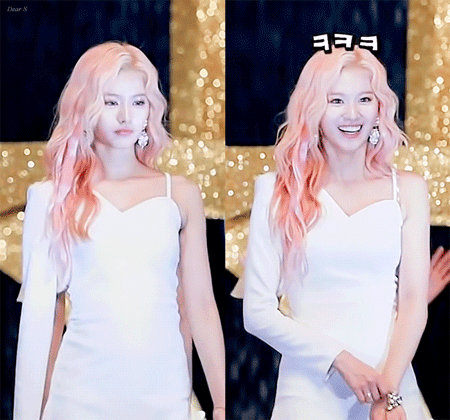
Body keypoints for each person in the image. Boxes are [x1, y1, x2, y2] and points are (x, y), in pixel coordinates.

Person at [14, 41, 225, 420]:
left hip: (164, 393)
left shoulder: (179, 194)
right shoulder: (52, 197)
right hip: (78, 395)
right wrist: (36, 411)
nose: (126, 116)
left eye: (138, 102)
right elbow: (46, 318)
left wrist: (221, 404)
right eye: (111, 102)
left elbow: (200, 307)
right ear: (86, 107)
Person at [243, 45, 430, 420]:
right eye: (336, 100)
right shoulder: (278, 189)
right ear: (313, 110)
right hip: (308, 390)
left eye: (365, 99)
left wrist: (388, 391)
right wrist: (339, 359)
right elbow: (257, 313)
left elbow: (413, 301)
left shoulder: (408, 190)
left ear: (380, 108)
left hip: (391, 383)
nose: (352, 114)